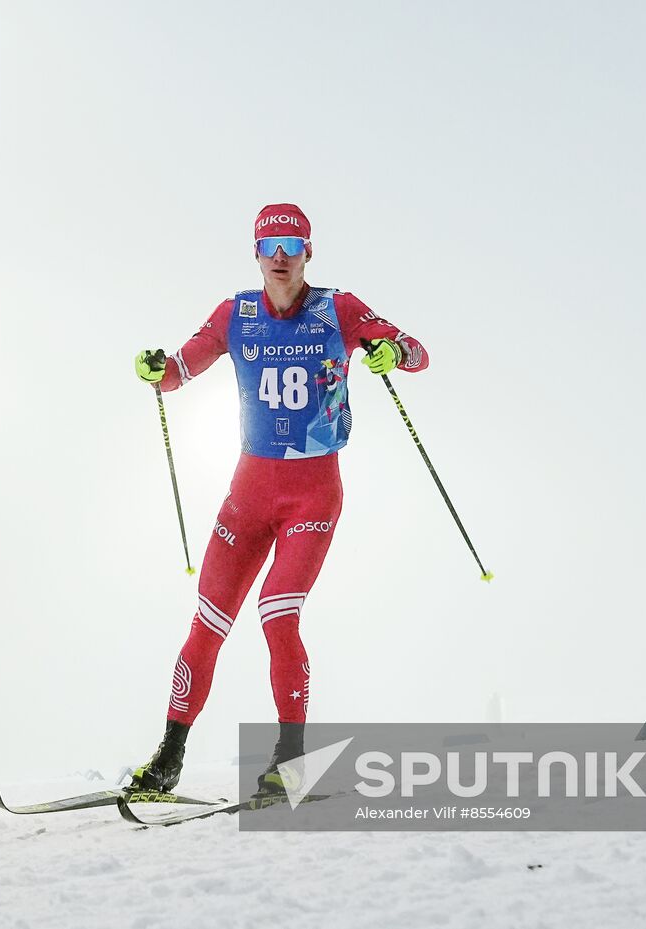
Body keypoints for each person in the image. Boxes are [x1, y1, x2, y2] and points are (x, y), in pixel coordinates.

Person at [130, 203, 428, 796]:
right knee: (208, 619)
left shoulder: (337, 309)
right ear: (257, 255)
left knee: (277, 611)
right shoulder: (236, 313)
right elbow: (180, 369)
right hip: (248, 493)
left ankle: (289, 760)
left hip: (312, 494)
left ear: (309, 251)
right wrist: (155, 368)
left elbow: (416, 352)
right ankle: (168, 757)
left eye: (293, 243)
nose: (282, 256)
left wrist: (391, 352)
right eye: (271, 246)